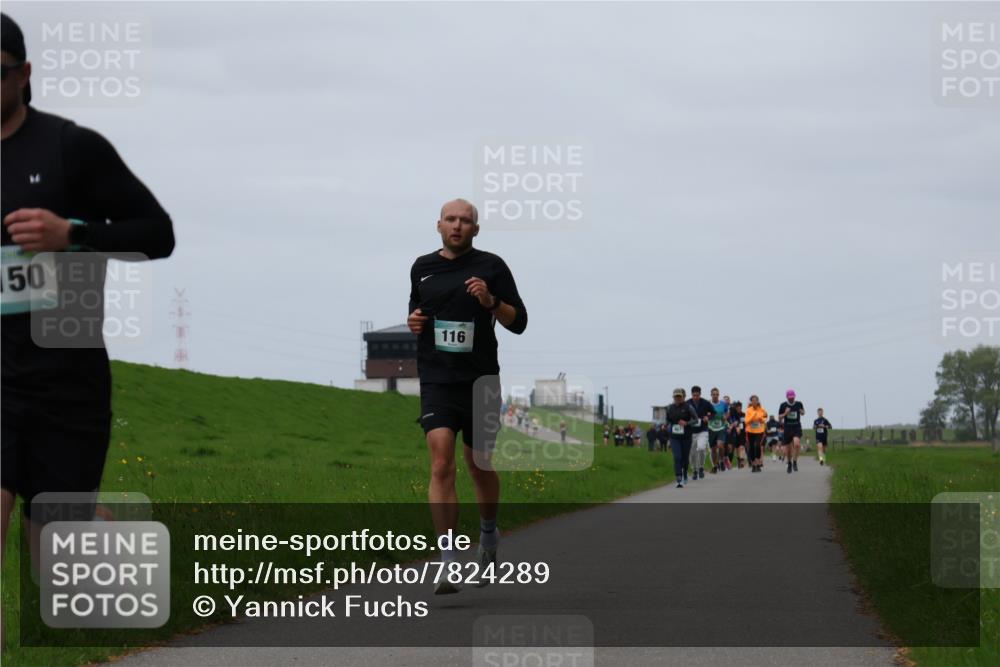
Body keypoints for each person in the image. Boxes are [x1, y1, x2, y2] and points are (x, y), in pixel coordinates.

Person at [1, 12, 175, 574]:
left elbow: (157, 235)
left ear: (23, 73)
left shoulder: (69, 148)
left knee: (48, 567)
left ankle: (94, 526)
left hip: (65, 383)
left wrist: (72, 234)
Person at [407, 198, 527, 594]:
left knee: (479, 464)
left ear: (476, 230)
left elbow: (519, 322)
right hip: (437, 380)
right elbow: (417, 315)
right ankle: (447, 563)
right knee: (441, 464)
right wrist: (414, 321)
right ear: (438, 225)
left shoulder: (492, 266)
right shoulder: (422, 268)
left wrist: (491, 301)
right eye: (451, 219)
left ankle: (489, 538)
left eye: (466, 221)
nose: (457, 226)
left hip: (481, 380)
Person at [665, 388, 698, 488]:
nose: (678, 398)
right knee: (677, 457)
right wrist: (666, 426)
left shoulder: (689, 407)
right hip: (674, 437)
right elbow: (668, 420)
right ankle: (678, 477)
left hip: (686, 437)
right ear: (673, 397)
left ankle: (684, 474)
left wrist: (687, 423)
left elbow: (696, 420)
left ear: (683, 397)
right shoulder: (670, 408)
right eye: (676, 397)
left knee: (684, 458)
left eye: (679, 397)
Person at [686, 386, 714, 481]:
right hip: (691, 431)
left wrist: (708, 418)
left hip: (703, 430)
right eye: (694, 395)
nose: (696, 397)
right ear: (691, 395)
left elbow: (713, 413)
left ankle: (701, 467)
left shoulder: (705, 403)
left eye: (697, 395)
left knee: (701, 448)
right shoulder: (687, 403)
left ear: (700, 394)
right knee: (692, 452)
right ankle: (694, 470)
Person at [778, 389, 805, 473]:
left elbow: (803, 412)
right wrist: (785, 413)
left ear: (795, 396)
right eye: (789, 398)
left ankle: (795, 462)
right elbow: (779, 417)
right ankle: (789, 463)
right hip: (787, 427)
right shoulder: (783, 405)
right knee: (788, 450)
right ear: (787, 397)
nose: (791, 399)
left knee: (797, 444)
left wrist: (802, 411)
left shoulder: (799, 404)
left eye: (792, 397)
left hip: (796, 426)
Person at [707, 387, 728, 473]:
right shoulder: (708, 404)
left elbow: (727, 412)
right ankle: (715, 466)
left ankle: (722, 460)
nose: (715, 396)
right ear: (711, 395)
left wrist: (725, 416)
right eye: (713, 394)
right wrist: (707, 416)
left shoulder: (723, 404)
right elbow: (704, 413)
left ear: (718, 395)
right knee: (713, 449)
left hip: (721, 427)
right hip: (711, 428)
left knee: (720, 445)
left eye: (716, 394)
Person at [745, 395, 768, 473]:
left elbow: (765, 418)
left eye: (756, 400)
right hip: (750, 431)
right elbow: (746, 421)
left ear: (758, 401)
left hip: (760, 431)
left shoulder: (762, 409)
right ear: (751, 402)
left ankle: (758, 463)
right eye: (753, 400)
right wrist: (753, 416)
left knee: (757, 445)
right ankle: (754, 464)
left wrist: (761, 419)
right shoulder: (748, 410)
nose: (754, 402)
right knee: (751, 447)